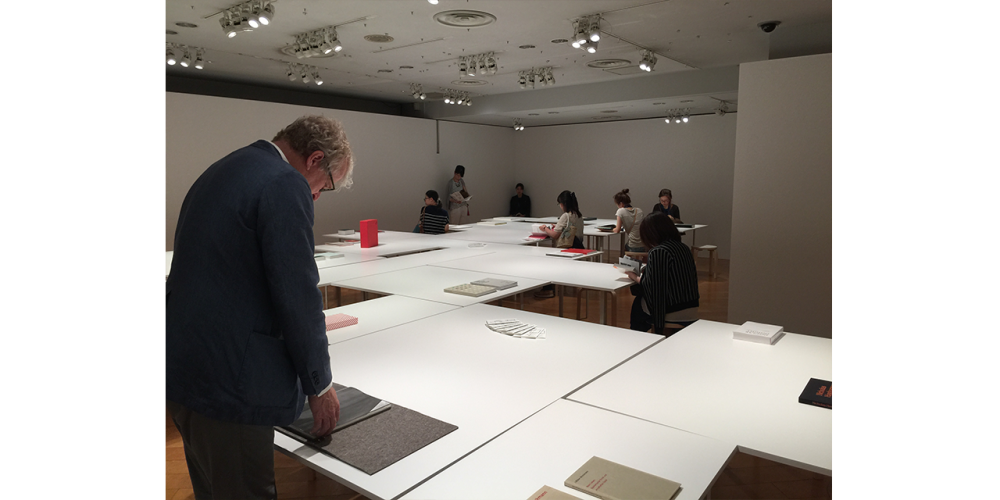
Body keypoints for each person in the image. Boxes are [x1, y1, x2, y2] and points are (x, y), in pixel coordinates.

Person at [165, 115, 354, 500]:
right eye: (326, 186)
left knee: (211, 488)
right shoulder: (285, 183)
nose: (318, 195)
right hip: (231, 383)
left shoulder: (224, 168)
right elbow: (298, 294)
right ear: (315, 159)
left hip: (184, 369)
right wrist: (319, 384)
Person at [624, 212, 699, 337]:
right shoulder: (683, 247)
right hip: (691, 306)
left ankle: (639, 339)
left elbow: (652, 286)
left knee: (638, 305)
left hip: (673, 309)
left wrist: (634, 276)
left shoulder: (658, 251)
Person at [535, 191, 585, 298]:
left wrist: (545, 229)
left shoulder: (565, 216)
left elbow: (554, 235)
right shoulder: (579, 215)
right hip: (579, 247)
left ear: (563, 204)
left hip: (568, 248)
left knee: (546, 261)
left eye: (560, 204)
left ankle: (548, 289)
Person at [612, 188, 645, 253]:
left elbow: (617, 230)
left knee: (625, 247)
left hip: (633, 245)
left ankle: (626, 259)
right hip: (645, 245)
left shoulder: (620, 211)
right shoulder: (639, 210)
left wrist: (612, 229)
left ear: (621, 204)